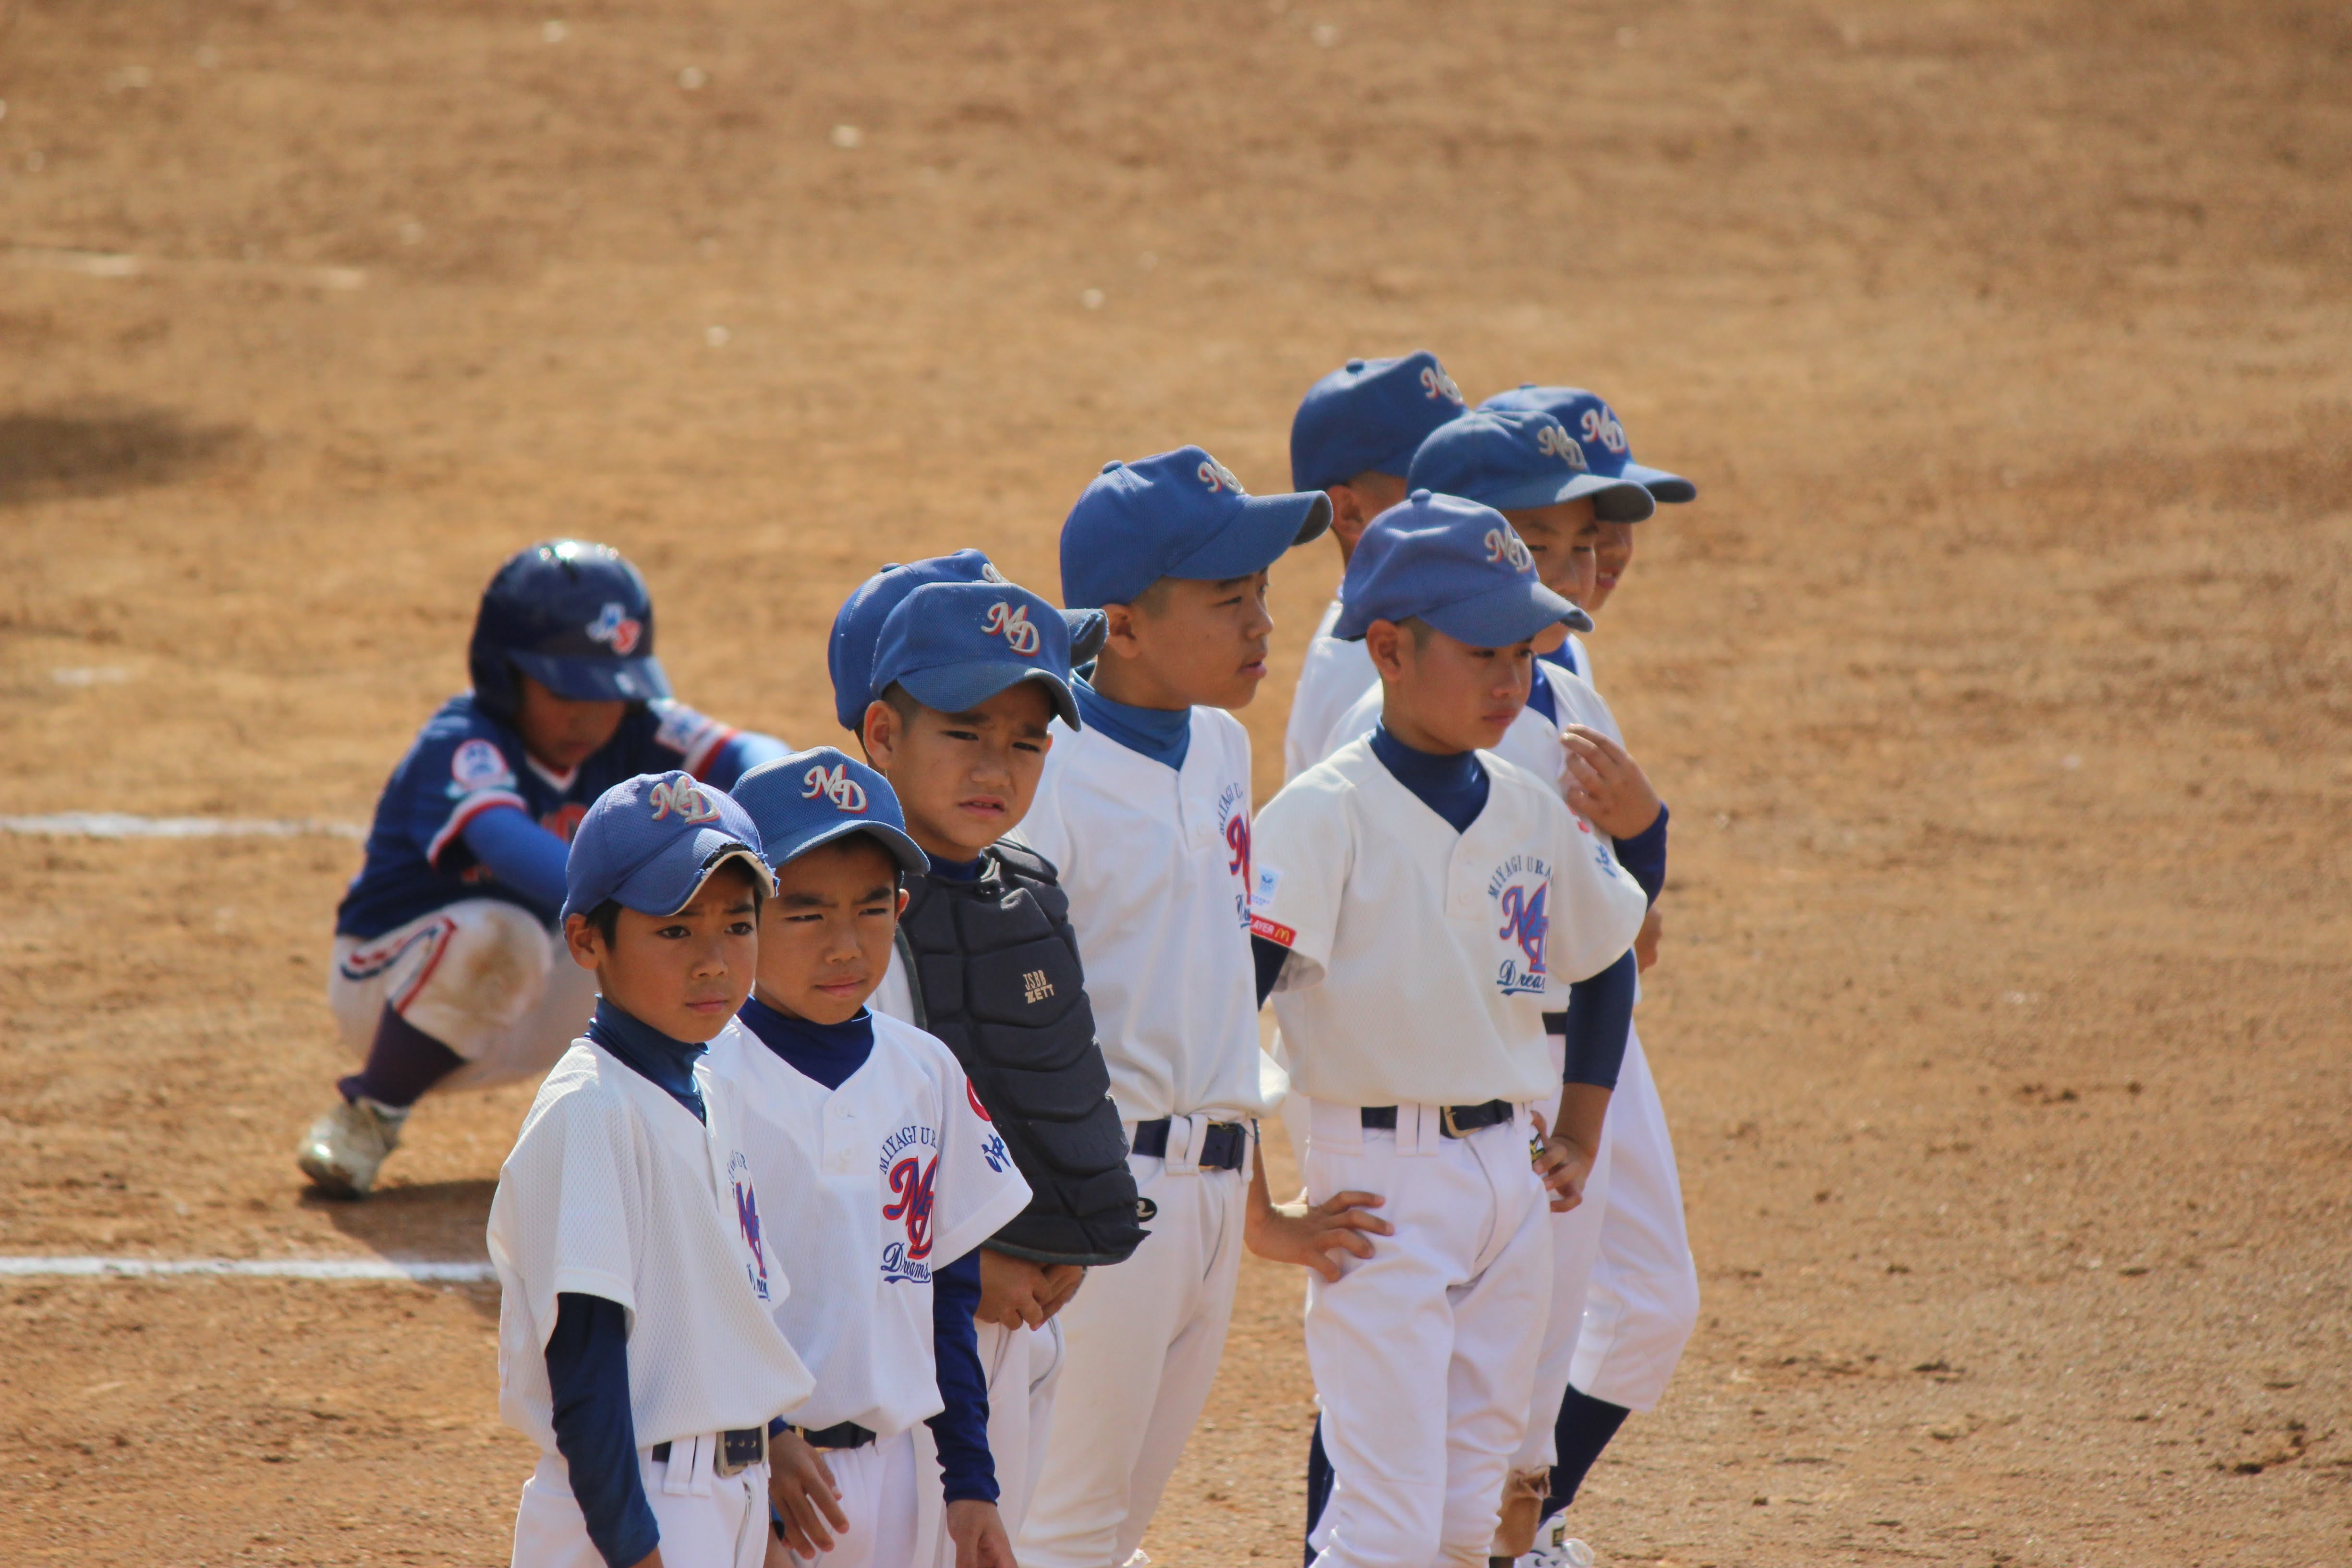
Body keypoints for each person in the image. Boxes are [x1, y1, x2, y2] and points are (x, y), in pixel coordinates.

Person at [1248, 490, 1649, 1568]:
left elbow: (1606, 955)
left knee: (1470, 1517)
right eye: (1481, 652)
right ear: (1387, 647)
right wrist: (1258, 1210)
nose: (1510, 680)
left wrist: (1580, 1126)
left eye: (1522, 651)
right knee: (1382, 1518)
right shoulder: (1323, 813)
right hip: (1374, 1186)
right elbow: (1225, 1006)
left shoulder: (1526, 804)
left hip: (1509, 1178)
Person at [1014, 450, 1391, 1568]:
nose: (1260, 622)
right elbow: (1014, 1015)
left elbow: (1217, 986)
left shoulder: (1221, 747)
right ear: (1121, 625)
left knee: (1120, 1520)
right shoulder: (1047, 772)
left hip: (1209, 1191)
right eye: (1227, 599)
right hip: (1096, 1193)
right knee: (1065, 1526)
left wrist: (1256, 1199)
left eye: (1263, 593)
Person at [299, 540, 789, 1198]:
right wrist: (653, 904)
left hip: (536, 990)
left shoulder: (637, 726)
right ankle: (369, 1111)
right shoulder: (464, 741)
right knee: (512, 933)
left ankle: (679, 1126)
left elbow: (761, 760)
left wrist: (788, 833)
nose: (590, 714)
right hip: (391, 985)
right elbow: (501, 842)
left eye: (609, 692)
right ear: (505, 674)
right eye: (566, 691)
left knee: (720, 935)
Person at [828, 556, 1145, 1551]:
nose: (995, 768)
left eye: (1025, 742)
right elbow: (848, 1147)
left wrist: (1061, 1244)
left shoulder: (1019, 889)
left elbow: (1046, 1082)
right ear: (884, 732)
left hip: (1020, 1318)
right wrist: (973, 1267)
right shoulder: (849, 926)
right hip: (907, 1332)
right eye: (963, 733)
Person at [703, 747, 1033, 1568]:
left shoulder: (924, 1071)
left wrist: (971, 1483)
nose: (845, 945)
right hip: (753, 1470)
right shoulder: (705, 1075)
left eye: (872, 909)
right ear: (739, 912)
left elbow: (948, 1294)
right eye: (806, 912)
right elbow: (694, 1296)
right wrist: (764, 1435)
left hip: (902, 1470)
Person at [1472, 386, 1701, 1567]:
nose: (1590, 561)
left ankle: (1524, 1522)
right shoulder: (1454, 692)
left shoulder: (1558, 676)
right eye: (1547, 539)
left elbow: (1622, 928)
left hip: (1582, 1038)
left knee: (1625, 1310)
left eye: (1596, 535)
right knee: (1456, 1351)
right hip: (1500, 1052)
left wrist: (1640, 842)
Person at [488, 769, 812, 1568]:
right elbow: (586, 1369)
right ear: (587, 940)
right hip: (634, 1508)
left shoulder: (704, 1085)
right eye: (674, 931)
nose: (713, 962)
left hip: (718, 1496)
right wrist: (637, 1551)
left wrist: (762, 1457)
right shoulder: (591, 1112)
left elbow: (717, 1316)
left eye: (738, 927)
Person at [1281, 353, 1469, 782]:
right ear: (1349, 513)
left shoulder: (1437, 622)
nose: (1470, 494)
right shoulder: (1364, 672)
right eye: (1436, 480)